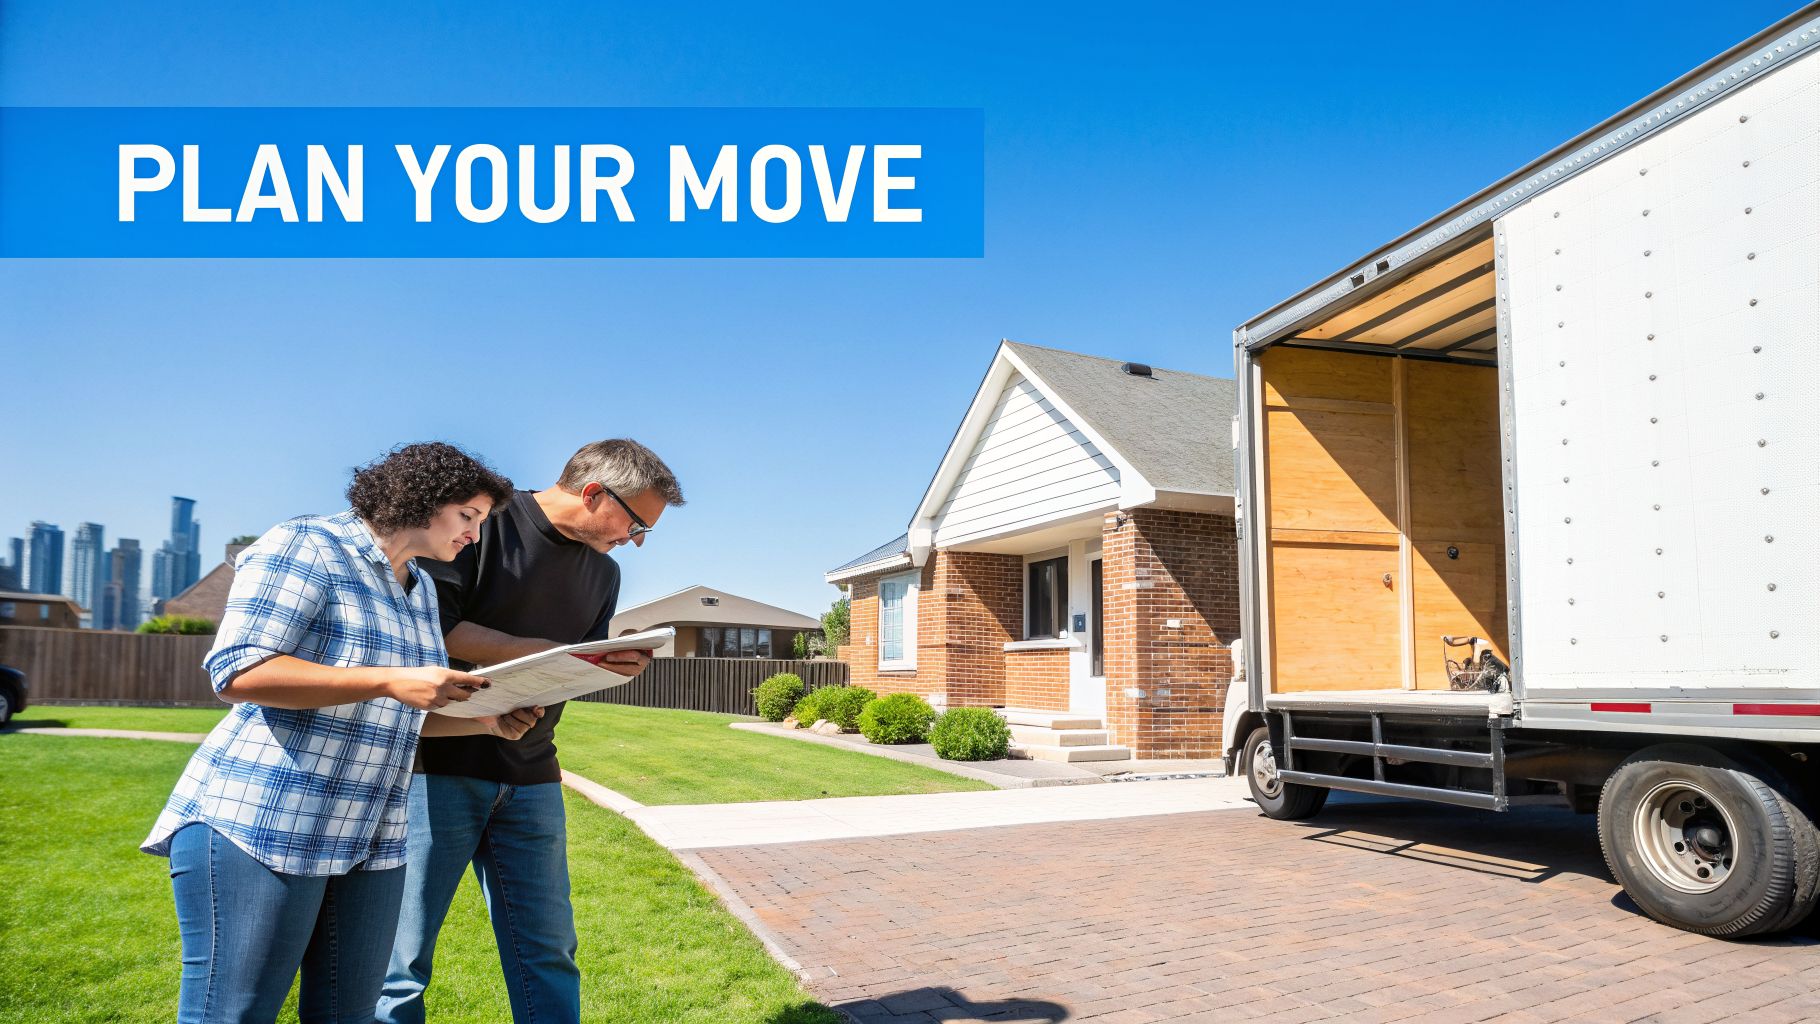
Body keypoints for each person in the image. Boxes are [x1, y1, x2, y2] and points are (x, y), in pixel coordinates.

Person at [141, 442, 537, 1024]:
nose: (474, 537)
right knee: (235, 1013)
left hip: (371, 839)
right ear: (423, 499)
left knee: (349, 1015)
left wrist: (484, 720)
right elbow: (240, 670)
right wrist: (391, 680)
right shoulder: (307, 545)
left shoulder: (421, 588)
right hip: (266, 820)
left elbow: (397, 705)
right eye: (469, 517)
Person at [379, 439, 684, 1024]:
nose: (636, 538)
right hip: (436, 767)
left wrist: (602, 664)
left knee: (548, 952)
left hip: (533, 774)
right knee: (402, 962)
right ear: (594, 492)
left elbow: (571, 663)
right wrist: (547, 651)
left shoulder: (604, 573)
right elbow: (431, 630)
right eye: (636, 521)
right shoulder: (479, 525)